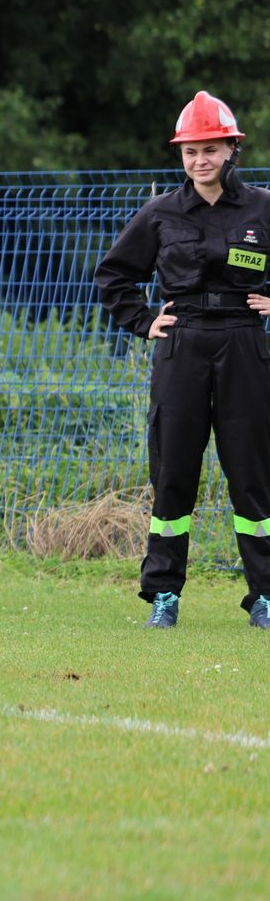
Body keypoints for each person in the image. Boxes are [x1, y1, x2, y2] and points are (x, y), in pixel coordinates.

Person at [95, 90, 270, 629]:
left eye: (211, 149)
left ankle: (266, 596)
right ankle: (164, 594)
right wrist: (145, 321)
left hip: (245, 345)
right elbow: (114, 275)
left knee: (254, 475)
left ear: (231, 149)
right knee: (173, 472)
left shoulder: (264, 208)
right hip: (181, 346)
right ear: (182, 155)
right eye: (191, 151)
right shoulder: (160, 213)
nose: (201, 160)